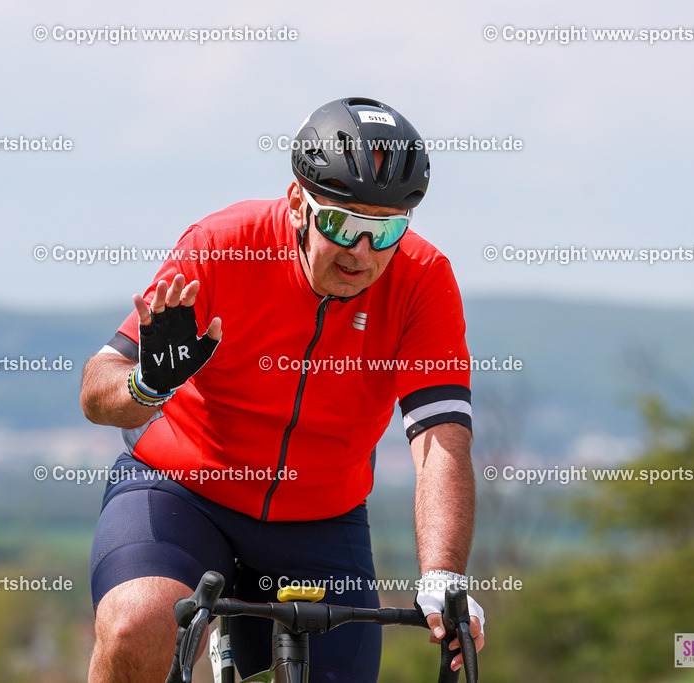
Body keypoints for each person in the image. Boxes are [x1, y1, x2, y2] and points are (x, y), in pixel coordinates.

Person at [81, 97, 483, 683]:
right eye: (342, 225)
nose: (362, 253)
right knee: (137, 627)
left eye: (385, 230)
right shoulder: (222, 245)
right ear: (298, 202)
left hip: (320, 514)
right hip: (182, 490)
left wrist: (443, 576)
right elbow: (98, 391)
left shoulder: (423, 279)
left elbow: (441, 440)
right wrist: (147, 384)